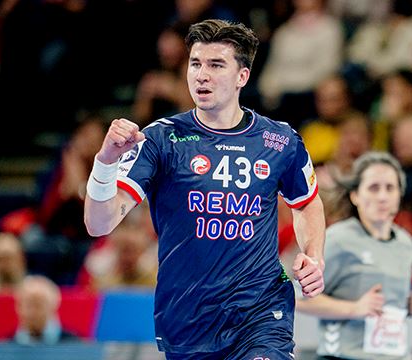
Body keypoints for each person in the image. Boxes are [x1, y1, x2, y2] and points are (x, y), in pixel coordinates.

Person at [84, 19, 326, 359]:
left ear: (242, 76)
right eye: (195, 63)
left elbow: (306, 203)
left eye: (216, 65)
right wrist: (105, 162)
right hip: (187, 318)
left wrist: (313, 256)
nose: (202, 74)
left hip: (260, 310)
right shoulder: (160, 139)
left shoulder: (280, 140)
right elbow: (99, 224)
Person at [296, 151, 412, 359]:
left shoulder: (405, 244)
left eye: (390, 188)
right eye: (373, 188)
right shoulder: (338, 239)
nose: (382, 196)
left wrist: (410, 306)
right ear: (355, 196)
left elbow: (388, 308)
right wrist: (354, 309)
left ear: (399, 195)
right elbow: (297, 298)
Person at [12, 275, 79, 345]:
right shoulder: (6, 346)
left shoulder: (74, 345)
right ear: (18, 308)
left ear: (53, 307)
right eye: (28, 305)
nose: (32, 312)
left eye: (38, 305)